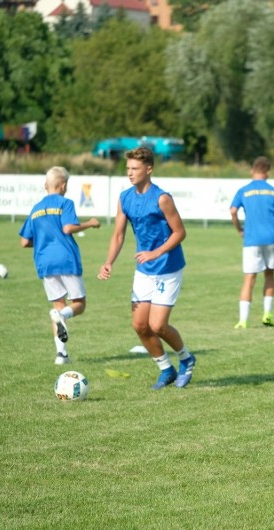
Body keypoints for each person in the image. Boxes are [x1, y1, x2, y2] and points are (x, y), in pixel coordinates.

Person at [97, 147, 196, 390]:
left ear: (148, 169)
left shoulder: (162, 198)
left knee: (158, 326)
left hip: (168, 267)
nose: (129, 173)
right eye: (128, 168)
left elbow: (180, 232)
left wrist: (156, 252)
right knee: (140, 325)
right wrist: (109, 261)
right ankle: (166, 369)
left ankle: (186, 359)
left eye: (135, 169)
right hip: (144, 271)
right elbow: (118, 235)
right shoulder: (125, 198)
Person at [20, 166, 100, 365]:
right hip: (65, 258)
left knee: (58, 304)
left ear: (46, 185)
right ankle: (61, 315)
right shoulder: (66, 203)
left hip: (44, 262)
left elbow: (24, 241)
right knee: (79, 304)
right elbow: (68, 227)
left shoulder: (36, 208)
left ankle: (61, 355)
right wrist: (90, 223)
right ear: (63, 185)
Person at [230, 156, 274, 328]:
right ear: (268, 172)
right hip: (272, 238)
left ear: (252, 171)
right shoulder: (273, 191)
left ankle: (243, 320)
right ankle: (267, 314)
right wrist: (273, 215)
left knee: (249, 278)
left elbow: (233, 211)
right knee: (269, 274)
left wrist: (239, 229)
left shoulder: (244, 190)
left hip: (252, 239)